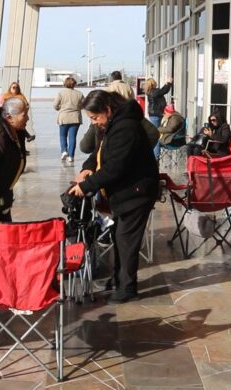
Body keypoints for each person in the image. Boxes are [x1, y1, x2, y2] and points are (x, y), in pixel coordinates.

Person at [69, 90, 159, 304]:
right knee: (120, 237)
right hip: (125, 193)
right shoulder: (113, 124)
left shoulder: (126, 127)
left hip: (136, 193)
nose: (95, 122)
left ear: (107, 110)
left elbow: (115, 166)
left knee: (126, 240)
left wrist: (87, 186)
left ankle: (127, 288)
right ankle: (119, 279)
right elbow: (100, 152)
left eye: (95, 117)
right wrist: (87, 168)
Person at [54, 76, 84, 163]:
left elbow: (55, 105)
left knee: (62, 136)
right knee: (72, 137)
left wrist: (59, 108)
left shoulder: (61, 93)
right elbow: (84, 104)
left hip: (63, 117)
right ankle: (71, 156)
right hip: (75, 117)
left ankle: (64, 151)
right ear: (74, 84)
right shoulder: (79, 93)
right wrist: (78, 108)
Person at [143, 76, 173, 159]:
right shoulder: (154, 92)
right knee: (156, 136)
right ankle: (155, 156)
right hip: (156, 115)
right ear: (153, 84)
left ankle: (155, 155)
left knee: (156, 134)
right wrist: (169, 82)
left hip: (155, 115)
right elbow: (164, 90)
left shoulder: (150, 92)